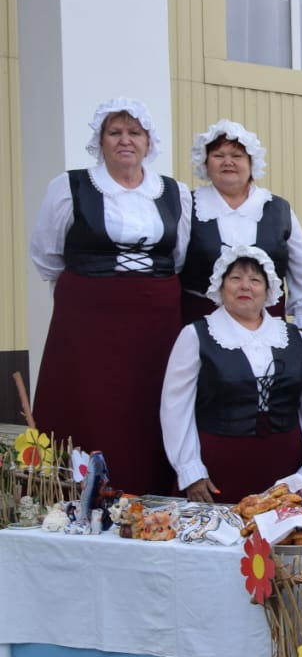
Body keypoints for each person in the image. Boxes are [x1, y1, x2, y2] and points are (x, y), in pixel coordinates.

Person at [29, 97, 191, 496]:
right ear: (99, 141)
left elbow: (179, 254)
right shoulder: (70, 186)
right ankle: (76, 495)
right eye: (114, 132)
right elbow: (46, 254)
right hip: (88, 317)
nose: (125, 141)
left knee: (149, 403)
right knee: (87, 403)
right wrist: (87, 290)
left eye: (134, 133)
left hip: (155, 317)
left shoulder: (174, 192)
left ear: (148, 142)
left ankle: (148, 492)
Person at [161, 245, 302, 503]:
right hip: (219, 464)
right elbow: (175, 408)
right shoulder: (197, 335)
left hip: (285, 468)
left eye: (255, 280)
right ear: (221, 286)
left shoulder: (293, 337)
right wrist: (190, 469)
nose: (245, 286)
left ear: (268, 289)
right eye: (235, 278)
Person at [180, 120, 302, 325]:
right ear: (205, 162)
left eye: (237, 156)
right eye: (218, 155)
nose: (227, 162)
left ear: (252, 162)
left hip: (267, 327)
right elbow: (174, 264)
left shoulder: (278, 209)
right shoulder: (188, 205)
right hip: (202, 324)